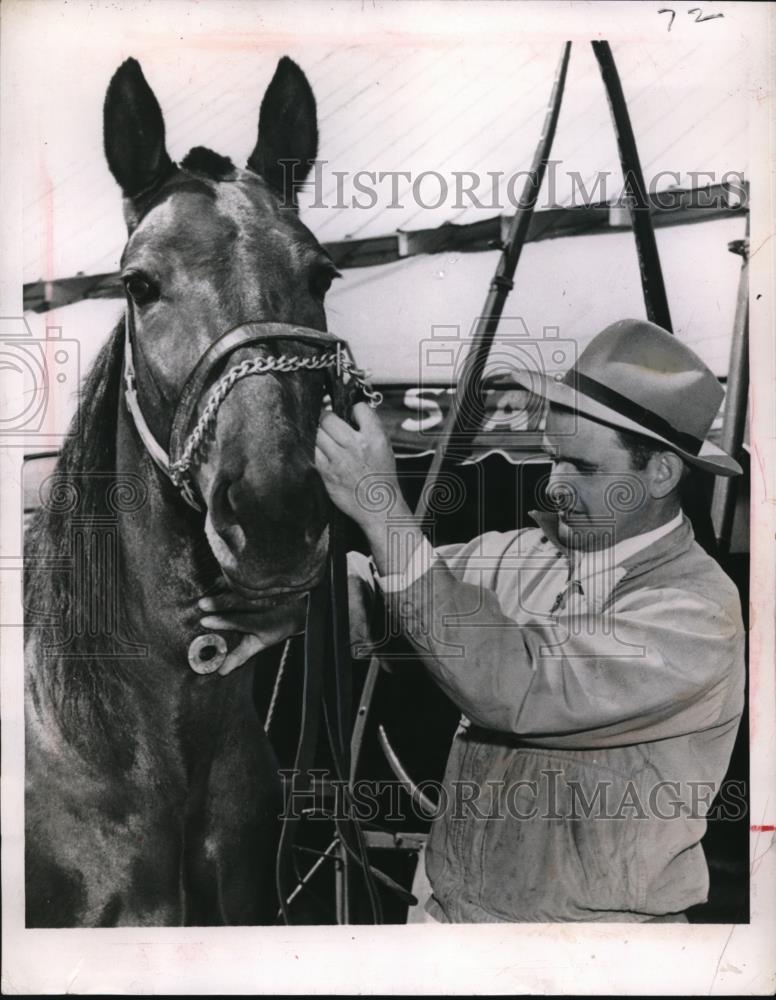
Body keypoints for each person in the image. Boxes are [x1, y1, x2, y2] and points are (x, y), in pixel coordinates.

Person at [200, 318, 746, 922]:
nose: (555, 486)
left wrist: (384, 512)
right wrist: (290, 608)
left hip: (588, 951)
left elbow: (517, 685)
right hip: (448, 922)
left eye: (583, 468)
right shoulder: (525, 555)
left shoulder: (695, 615)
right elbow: (400, 602)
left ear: (661, 473)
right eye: (553, 458)